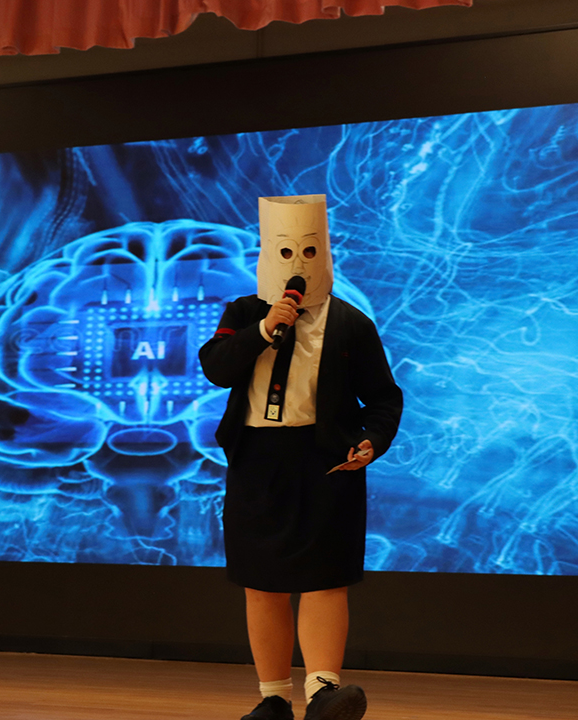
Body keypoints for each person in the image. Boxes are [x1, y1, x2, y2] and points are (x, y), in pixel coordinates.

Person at [199, 195, 403, 720]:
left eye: (309, 252)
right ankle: (273, 698)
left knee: (325, 578)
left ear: (325, 255)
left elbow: (383, 398)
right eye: (286, 252)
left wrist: (372, 440)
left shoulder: (352, 324)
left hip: (326, 459)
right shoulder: (243, 313)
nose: (298, 265)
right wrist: (265, 328)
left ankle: (322, 691)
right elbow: (217, 368)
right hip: (257, 459)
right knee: (261, 582)